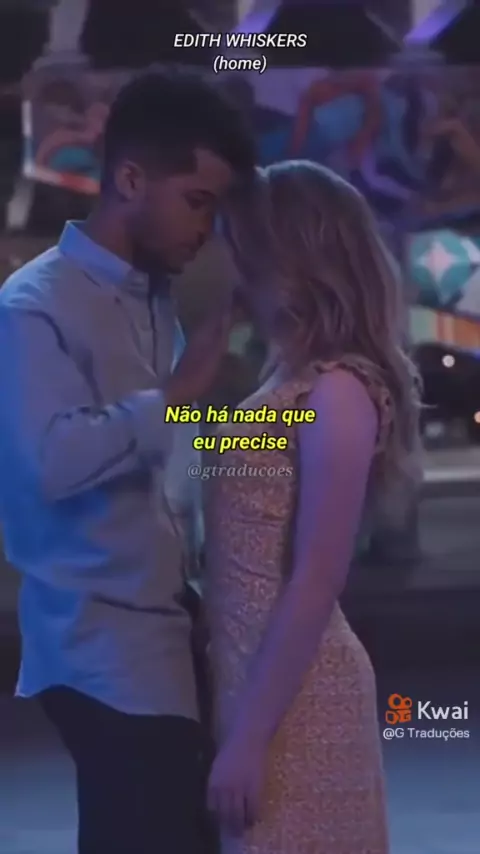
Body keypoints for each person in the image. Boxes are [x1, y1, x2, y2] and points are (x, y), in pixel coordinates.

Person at [0, 71, 254, 854]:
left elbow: (170, 455)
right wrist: (175, 395)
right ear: (132, 180)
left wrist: (281, 433)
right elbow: (47, 461)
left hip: (168, 630)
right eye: (197, 201)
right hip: (99, 646)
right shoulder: (33, 306)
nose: (205, 229)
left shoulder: (154, 299)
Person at [204, 161, 421, 852]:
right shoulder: (287, 377)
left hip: (298, 701)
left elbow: (317, 577)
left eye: (241, 242)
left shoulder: (338, 391)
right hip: (252, 680)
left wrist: (249, 738)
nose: (229, 259)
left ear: (286, 254)